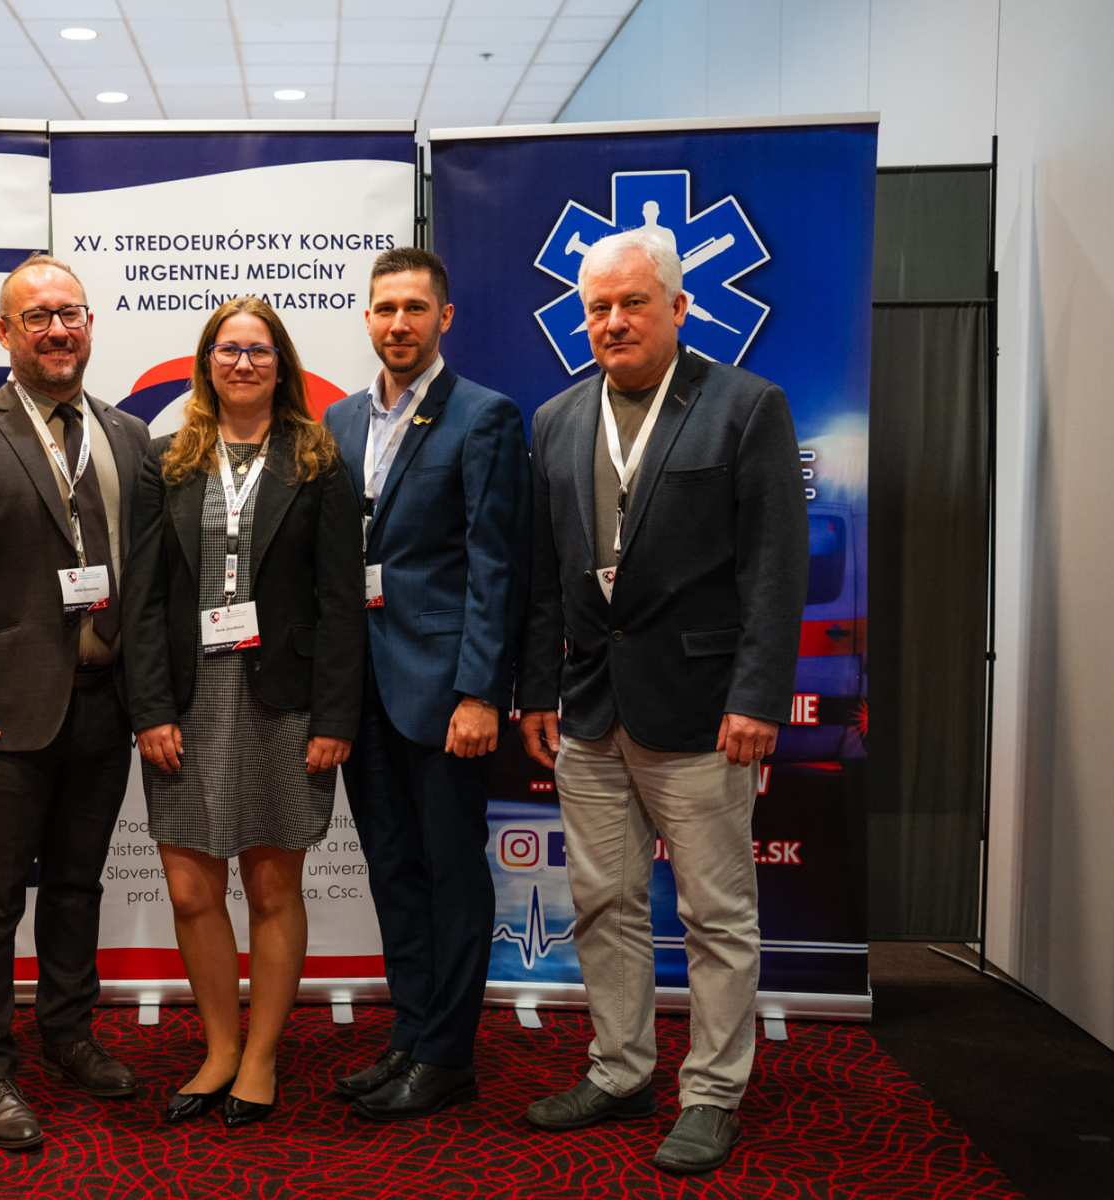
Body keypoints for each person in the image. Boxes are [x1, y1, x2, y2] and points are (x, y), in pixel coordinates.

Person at [517, 227, 808, 1175]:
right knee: (603, 904)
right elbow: (545, 575)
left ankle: (714, 1092)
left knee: (716, 918)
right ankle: (620, 1071)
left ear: (678, 308)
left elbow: (776, 568)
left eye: (632, 302)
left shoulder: (745, 406)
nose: (613, 321)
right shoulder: (557, 418)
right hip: (590, 707)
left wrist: (758, 696)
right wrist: (537, 688)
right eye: (597, 307)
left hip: (705, 709)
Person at [0, 254, 150, 1151]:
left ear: (91, 325)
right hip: (4, 713)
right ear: (4, 332)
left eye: (70, 313)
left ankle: (69, 1034)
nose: (57, 330)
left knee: (78, 885)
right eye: (37, 316)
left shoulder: (130, 436)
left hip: (106, 703)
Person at [122, 297, 364, 1128]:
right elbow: (144, 601)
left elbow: (341, 602)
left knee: (270, 886)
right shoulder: (167, 462)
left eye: (259, 351)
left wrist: (335, 717)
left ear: (281, 364)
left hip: (283, 704)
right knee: (192, 891)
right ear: (207, 362)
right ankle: (219, 1048)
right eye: (228, 350)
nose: (243, 364)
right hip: (187, 702)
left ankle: (261, 1056)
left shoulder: (319, 461)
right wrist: (149, 708)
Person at [321, 247, 531, 1120]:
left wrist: (480, 693)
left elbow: (496, 563)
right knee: (392, 871)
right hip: (362, 692)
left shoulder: (483, 416)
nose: (398, 323)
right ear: (367, 318)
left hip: (445, 695)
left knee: (451, 875)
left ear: (445, 317)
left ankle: (448, 1056)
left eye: (415, 308)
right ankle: (410, 1035)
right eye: (385, 308)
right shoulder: (338, 420)